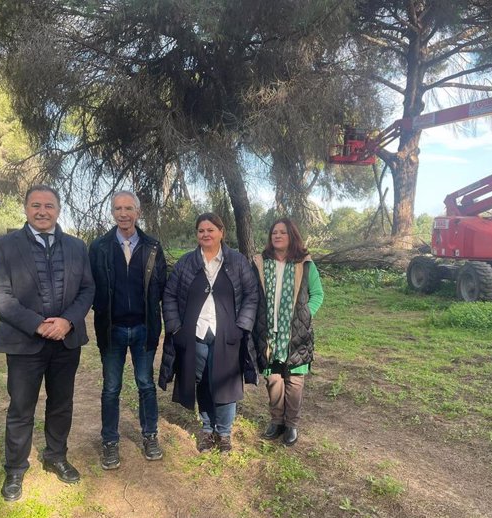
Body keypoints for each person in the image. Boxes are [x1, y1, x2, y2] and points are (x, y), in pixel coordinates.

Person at [0, 185, 94, 502]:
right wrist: (37, 325)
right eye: (36, 205)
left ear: (58, 210)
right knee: (21, 408)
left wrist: (67, 321)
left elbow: (87, 290)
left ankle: (56, 457)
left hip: (66, 341)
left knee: (61, 404)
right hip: (23, 343)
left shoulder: (77, 247)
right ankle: (16, 470)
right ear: (26, 209)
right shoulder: (4, 246)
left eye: (49, 205)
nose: (42, 211)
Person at [159, 213, 258, 453]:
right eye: (201, 230)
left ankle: (223, 433)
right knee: (202, 380)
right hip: (197, 333)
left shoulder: (236, 261)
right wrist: (176, 327)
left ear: (221, 232)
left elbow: (251, 294)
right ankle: (206, 428)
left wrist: (241, 326)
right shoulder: (186, 263)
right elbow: (169, 295)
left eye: (210, 230)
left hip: (229, 334)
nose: (206, 234)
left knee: (226, 384)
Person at [89, 191, 167, 469]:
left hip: (144, 329)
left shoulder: (153, 247)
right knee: (111, 387)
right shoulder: (99, 247)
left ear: (138, 212)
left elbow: (161, 290)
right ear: (112, 212)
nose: (123, 214)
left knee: (145, 385)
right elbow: (91, 287)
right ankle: (110, 441)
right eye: (118, 209)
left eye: (128, 209)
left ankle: (150, 436)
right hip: (112, 331)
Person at [252, 218, 324, 446]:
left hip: (296, 333)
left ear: (292, 236)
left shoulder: (305, 264)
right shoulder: (261, 263)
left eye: (283, 232)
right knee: (273, 377)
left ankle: (292, 424)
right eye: (274, 232)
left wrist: (305, 315)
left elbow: (317, 295)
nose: (277, 236)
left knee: (294, 378)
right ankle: (277, 421)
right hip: (268, 331)